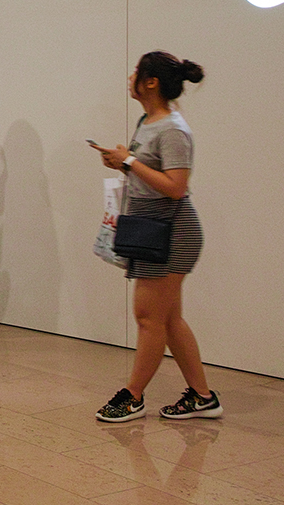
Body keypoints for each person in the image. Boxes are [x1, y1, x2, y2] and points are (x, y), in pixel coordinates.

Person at [92, 52, 218, 422]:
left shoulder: (173, 130)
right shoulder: (148, 121)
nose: (129, 77)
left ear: (151, 82)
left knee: (148, 317)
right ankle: (202, 397)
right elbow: (150, 174)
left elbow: (176, 187)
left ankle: (132, 396)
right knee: (169, 319)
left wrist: (129, 162)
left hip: (172, 231)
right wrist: (123, 161)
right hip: (152, 225)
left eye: (136, 72)